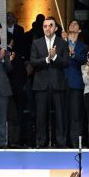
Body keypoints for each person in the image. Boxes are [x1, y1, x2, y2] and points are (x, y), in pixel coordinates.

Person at [29, 16, 69, 148]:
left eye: (50, 25)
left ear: (56, 28)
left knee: (60, 116)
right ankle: (41, 142)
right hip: (41, 85)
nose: (47, 28)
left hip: (58, 84)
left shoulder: (62, 43)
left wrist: (55, 57)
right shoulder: (36, 43)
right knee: (41, 116)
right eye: (45, 26)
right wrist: (47, 59)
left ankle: (61, 142)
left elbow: (66, 63)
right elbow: (33, 62)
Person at [64, 20, 89, 148]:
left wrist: (73, 53)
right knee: (62, 114)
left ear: (79, 30)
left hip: (76, 83)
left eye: (75, 24)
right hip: (61, 83)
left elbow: (83, 60)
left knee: (75, 114)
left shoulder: (83, 46)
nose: (73, 25)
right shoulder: (61, 42)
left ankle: (75, 142)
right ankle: (62, 141)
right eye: (71, 24)